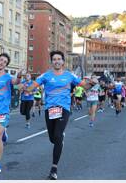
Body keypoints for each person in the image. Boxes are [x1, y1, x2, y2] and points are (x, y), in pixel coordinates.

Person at [25, 50, 96, 180]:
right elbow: (31, 87)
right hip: (49, 109)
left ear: (63, 62)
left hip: (63, 108)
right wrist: (25, 86)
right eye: (54, 59)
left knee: (57, 137)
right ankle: (59, 137)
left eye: (59, 59)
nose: (57, 61)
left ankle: (54, 169)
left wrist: (92, 83)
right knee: (53, 138)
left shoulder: (70, 76)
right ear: (52, 62)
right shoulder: (45, 76)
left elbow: (84, 86)